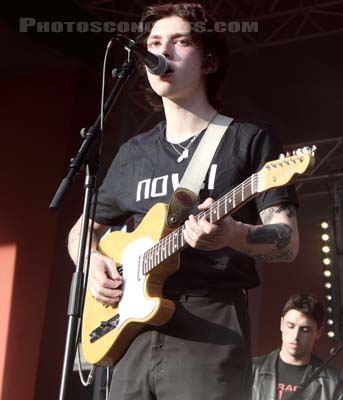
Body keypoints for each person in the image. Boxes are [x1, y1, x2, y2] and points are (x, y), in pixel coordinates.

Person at [67, 3, 299, 400]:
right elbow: (82, 230)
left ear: (209, 60)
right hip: (131, 330)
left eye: (180, 42)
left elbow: (288, 241)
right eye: (154, 43)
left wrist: (232, 233)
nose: (162, 52)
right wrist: (92, 264)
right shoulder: (134, 153)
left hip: (209, 324)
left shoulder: (247, 139)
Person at [252, 293, 343, 400]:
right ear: (281, 324)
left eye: (305, 330)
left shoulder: (332, 381)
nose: (295, 336)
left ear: (318, 332)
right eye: (291, 326)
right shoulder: (252, 369)